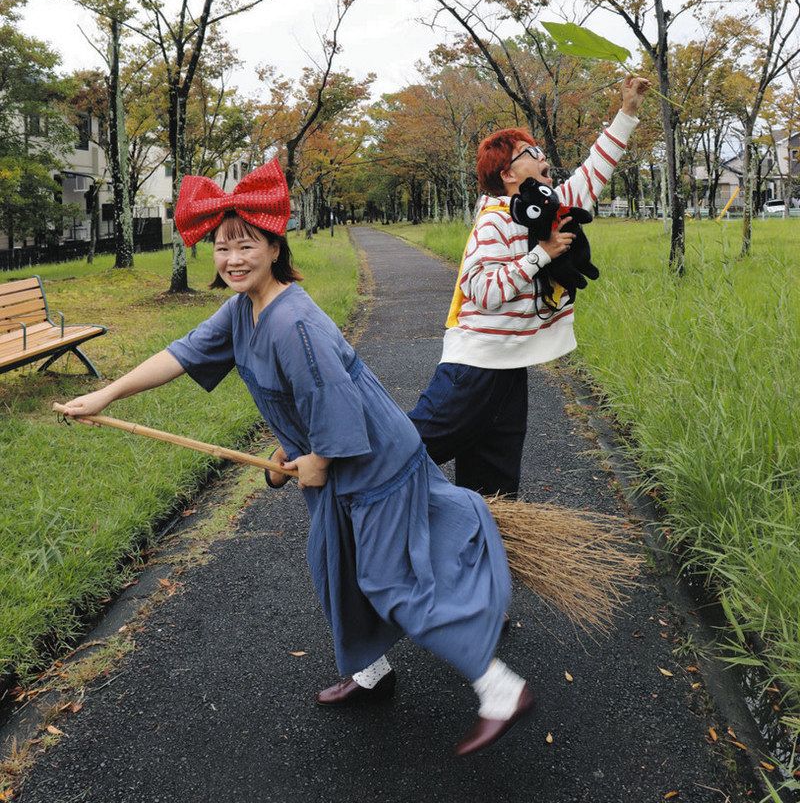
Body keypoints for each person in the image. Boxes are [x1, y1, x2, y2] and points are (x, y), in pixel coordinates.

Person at [54, 160, 533, 757]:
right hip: (333, 461)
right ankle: (371, 673)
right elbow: (181, 353)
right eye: (222, 247)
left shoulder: (293, 322)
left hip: (375, 464)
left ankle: (498, 686)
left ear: (274, 245)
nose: (232, 258)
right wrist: (105, 392)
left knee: (390, 580)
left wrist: (318, 460)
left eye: (246, 244)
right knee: (332, 561)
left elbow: (332, 400)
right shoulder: (241, 312)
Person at [409, 74, 650, 499]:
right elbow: (482, 289)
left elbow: (594, 171)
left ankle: (488, 552)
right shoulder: (496, 219)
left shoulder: (550, 206)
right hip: (476, 366)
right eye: (530, 153)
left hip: (509, 368)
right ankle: (332, 467)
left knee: (494, 482)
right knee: (408, 449)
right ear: (507, 174)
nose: (543, 157)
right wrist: (542, 253)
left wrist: (627, 111)